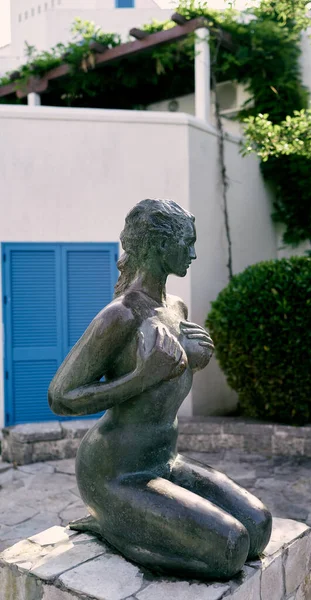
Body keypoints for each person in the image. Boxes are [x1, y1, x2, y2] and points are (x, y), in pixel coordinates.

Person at [48, 199, 272, 580]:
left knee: (259, 526)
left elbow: (167, 379)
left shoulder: (177, 308)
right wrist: (140, 378)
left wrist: (193, 362)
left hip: (165, 460)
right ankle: (115, 526)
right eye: (187, 243)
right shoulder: (121, 315)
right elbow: (60, 397)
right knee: (229, 549)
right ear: (157, 246)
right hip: (114, 472)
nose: (194, 253)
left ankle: (134, 523)